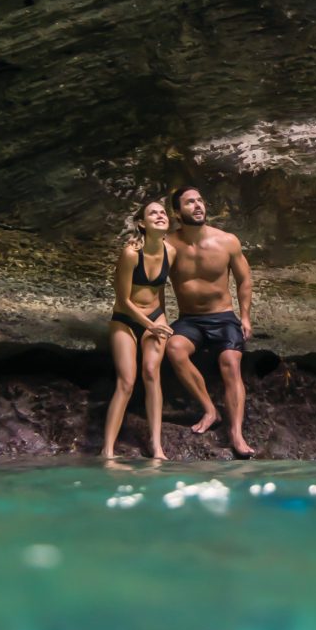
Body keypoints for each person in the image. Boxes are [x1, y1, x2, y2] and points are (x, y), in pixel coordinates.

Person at [166, 184, 256, 458]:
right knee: (174, 349)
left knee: (230, 361)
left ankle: (236, 434)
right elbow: (152, 279)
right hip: (190, 319)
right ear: (177, 212)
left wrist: (245, 317)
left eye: (200, 201)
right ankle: (210, 410)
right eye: (190, 202)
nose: (198, 206)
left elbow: (245, 280)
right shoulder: (168, 244)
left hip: (223, 317)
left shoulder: (227, 241)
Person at [102, 196, 175, 464]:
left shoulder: (171, 251)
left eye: (163, 213)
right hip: (126, 319)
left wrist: (163, 320)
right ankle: (107, 450)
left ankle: (157, 447)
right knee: (127, 382)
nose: (159, 215)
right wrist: (149, 325)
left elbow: (161, 290)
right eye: (153, 213)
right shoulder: (131, 253)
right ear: (142, 223)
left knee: (151, 372)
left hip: (156, 317)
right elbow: (123, 300)